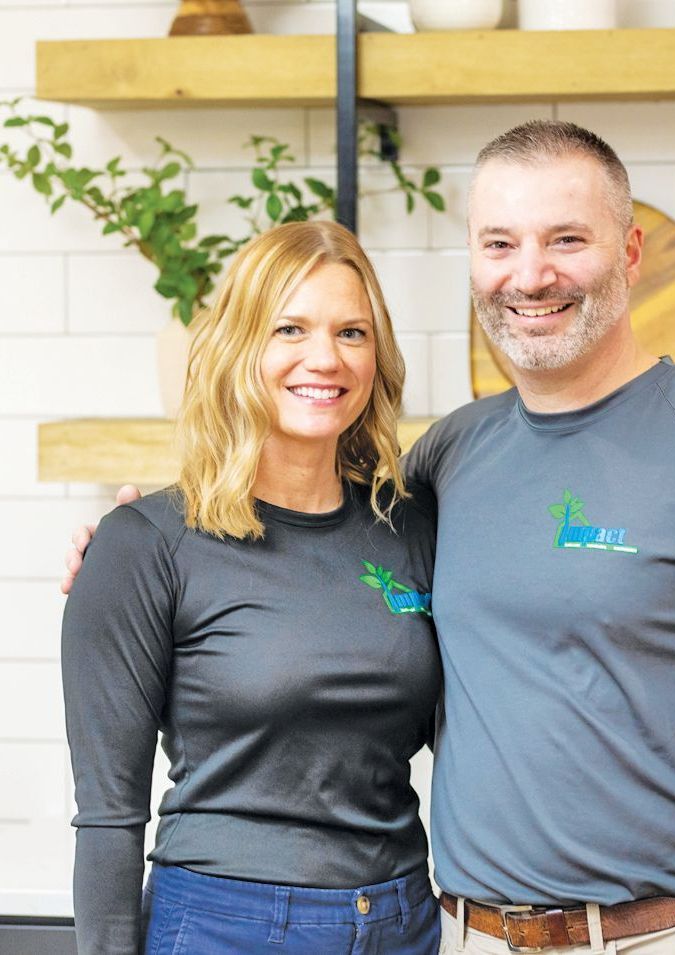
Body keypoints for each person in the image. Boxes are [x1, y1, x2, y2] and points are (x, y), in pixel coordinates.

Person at [65, 122, 675, 955]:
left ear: (631, 254)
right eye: (500, 243)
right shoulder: (451, 457)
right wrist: (127, 554)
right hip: (457, 933)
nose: (532, 274)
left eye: (566, 239)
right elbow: (311, 554)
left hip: (653, 937)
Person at [61, 221, 442, 955]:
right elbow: (108, 815)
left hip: (403, 921)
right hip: (225, 924)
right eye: (289, 329)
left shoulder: (413, 528)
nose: (325, 358)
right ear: (240, 348)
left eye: (352, 332)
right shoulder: (148, 543)